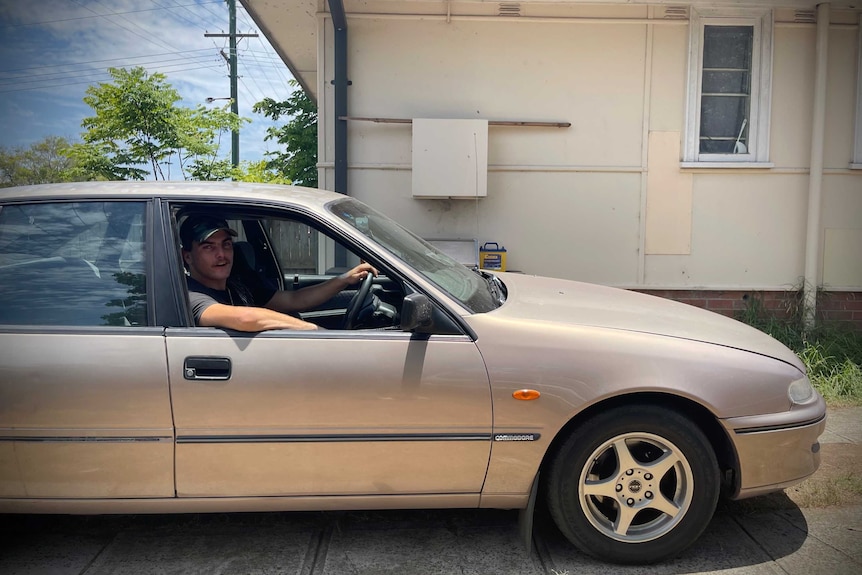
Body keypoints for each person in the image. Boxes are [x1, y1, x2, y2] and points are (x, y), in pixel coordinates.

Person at [180, 214, 376, 331]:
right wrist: (314, 331)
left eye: (226, 245)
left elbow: (294, 300)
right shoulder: (190, 295)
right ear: (187, 256)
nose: (221, 254)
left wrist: (344, 279)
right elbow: (245, 318)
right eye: (208, 247)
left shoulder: (238, 285)